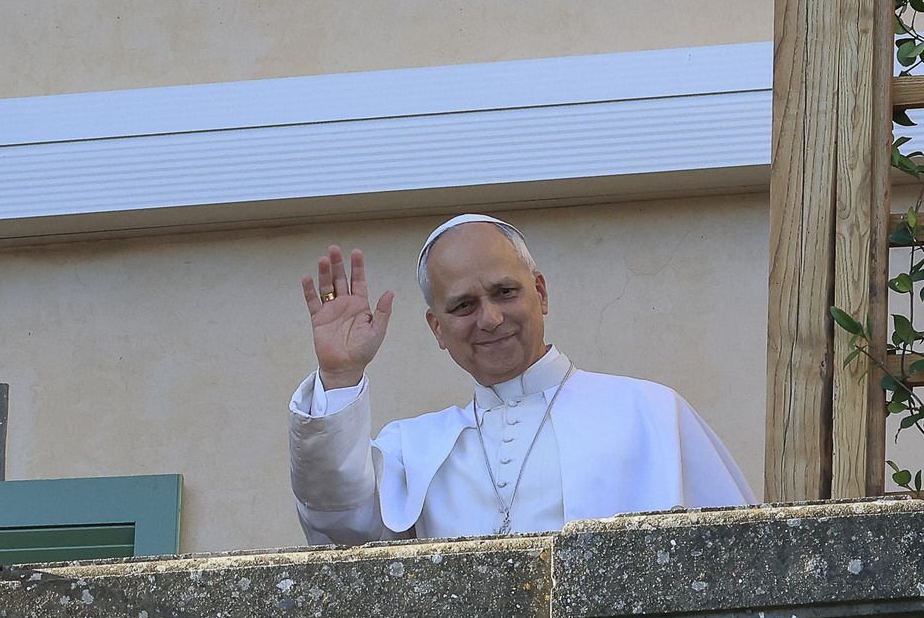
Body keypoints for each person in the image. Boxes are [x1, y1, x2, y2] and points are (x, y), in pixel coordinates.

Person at [288, 214, 754, 545]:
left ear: (541, 294)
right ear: (438, 329)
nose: (490, 319)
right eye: (463, 305)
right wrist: (340, 374)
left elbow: (740, 563)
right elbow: (339, 527)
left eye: (505, 292)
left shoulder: (649, 413)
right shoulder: (413, 448)